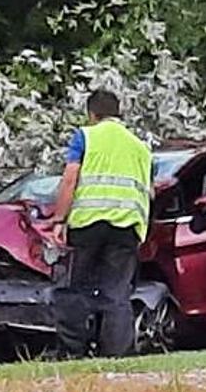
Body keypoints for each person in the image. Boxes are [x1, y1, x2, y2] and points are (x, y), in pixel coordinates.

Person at [47, 89, 153, 357]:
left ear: (92, 114)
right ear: (118, 113)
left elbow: (70, 178)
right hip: (127, 227)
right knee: (116, 292)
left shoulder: (86, 136)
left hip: (88, 225)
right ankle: (118, 354)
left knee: (75, 289)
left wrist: (59, 219)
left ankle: (74, 351)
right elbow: (148, 190)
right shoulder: (140, 146)